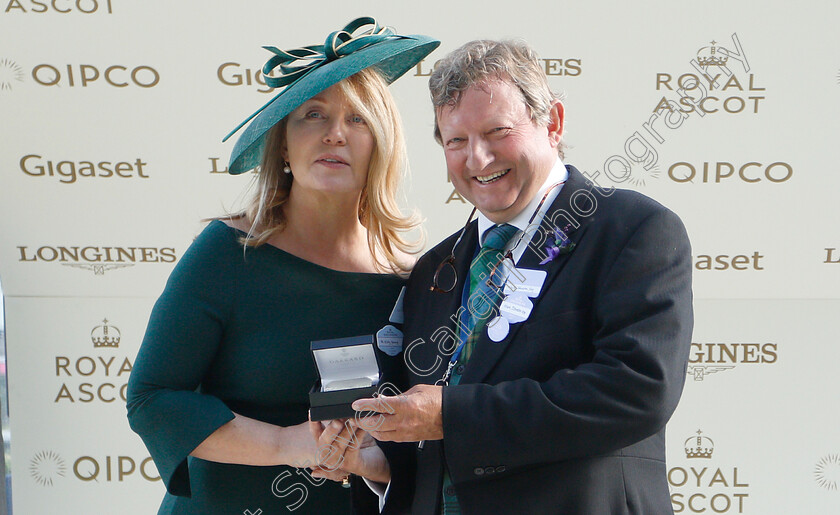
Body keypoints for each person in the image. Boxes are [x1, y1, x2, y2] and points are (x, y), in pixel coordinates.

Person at [321, 39, 694, 514]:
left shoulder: (630, 228)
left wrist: (450, 415)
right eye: (456, 141)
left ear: (553, 123)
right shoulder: (434, 270)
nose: (477, 159)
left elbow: (637, 390)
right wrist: (374, 459)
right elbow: (435, 446)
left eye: (497, 131)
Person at [125, 17, 439, 514]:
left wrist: (373, 458)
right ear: (284, 146)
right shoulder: (228, 252)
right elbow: (153, 398)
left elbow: (429, 433)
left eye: (358, 118)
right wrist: (289, 444)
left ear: (382, 144)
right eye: (313, 114)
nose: (336, 133)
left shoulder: (412, 279)